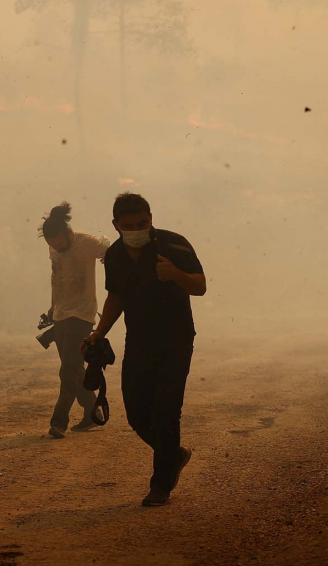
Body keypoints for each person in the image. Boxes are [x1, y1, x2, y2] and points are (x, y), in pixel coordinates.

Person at [83, 193, 207, 507]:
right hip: (138, 341)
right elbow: (116, 298)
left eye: (142, 223)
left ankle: (160, 487)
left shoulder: (174, 245)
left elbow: (200, 286)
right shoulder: (114, 256)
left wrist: (176, 275)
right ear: (116, 225)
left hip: (176, 340)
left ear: (150, 218)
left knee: (166, 414)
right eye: (129, 226)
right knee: (137, 416)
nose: (137, 229)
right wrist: (98, 334)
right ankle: (174, 455)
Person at [40, 201, 111, 439]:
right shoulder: (54, 248)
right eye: (52, 244)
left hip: (82, 315)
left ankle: (58, 421)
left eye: (60, 243)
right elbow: (56, 277)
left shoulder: (86, 243)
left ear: (68, 233)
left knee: (67, 371)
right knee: (73, 368)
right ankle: (93, 414)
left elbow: (110, 249)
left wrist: (107, 258)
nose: (57, 248)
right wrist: (52, 306)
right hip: (60, 314)